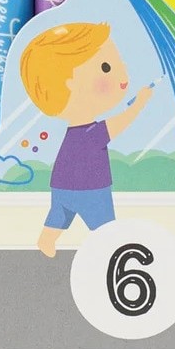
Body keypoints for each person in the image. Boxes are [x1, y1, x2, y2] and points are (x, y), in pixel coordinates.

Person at [19, 22, 154, 257]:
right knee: (104, 225)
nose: (123, 73)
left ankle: (46, 239)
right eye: (106, 67)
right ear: (69, 82)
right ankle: (110, 250)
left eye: (119, 64)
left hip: (62, 183)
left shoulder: (75, 134)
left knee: (59, 214)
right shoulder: (90, 133)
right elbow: (119, 124)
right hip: (90, 186)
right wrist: (139, 104)